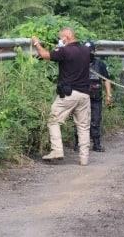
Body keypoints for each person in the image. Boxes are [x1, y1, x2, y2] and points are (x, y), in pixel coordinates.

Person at [31, 28, 91, 165]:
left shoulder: (65, 51)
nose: (61, 40)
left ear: (67, 36)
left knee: (53, 120)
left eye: (61, 37)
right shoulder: (86, 51)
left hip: (69, 94)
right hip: (85, 95)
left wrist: (36, 43)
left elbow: (45, 55)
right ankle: (84, 158)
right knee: (83, 126)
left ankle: (57, 150)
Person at [74, 41, 112, 152]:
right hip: (81, 97)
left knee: (95, 121)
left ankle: (96, 144)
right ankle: (78, 144)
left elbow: (106, 80)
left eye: (90, 50)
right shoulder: (77, 63)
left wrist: (109, 95)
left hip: (96, 98)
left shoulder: (100, 64)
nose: (88, 53)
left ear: (94, 51)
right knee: (80, 121)